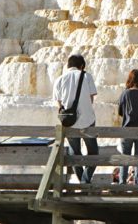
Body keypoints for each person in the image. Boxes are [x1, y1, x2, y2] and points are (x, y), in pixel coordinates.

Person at [53, 54, 99, 183]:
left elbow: (59, 104)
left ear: (68, 65)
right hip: (87, 120)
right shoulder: (87, 76)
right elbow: (91, 99)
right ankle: (85, 180)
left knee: (75, 152)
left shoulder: (60, 79)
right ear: (82, 66)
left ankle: (82, 182)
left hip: (69, 121)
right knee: (94, 152)